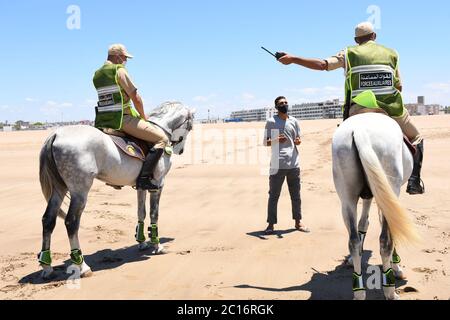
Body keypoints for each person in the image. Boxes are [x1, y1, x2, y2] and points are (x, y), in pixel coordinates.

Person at [276, 22, 424, 195]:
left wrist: (293, 59)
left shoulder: (348, 53)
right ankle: (414, 181)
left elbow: (323, 64)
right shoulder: (392, 53)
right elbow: (399, 87)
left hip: (357, 109)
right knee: (417, 137)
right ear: (374, 37)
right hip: (391, 109)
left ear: (356, 40)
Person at [92, 44, 169, 191]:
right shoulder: (119, 71)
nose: (125, 61)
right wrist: (143, 117)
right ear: (117, 56)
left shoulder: (97, 74)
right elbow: (136, 97)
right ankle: (144, 179)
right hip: (122, 119)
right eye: (125, 58)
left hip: (103, 121)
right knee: (162, 139)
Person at [263, 96, 310, 235]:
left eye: (286, 103)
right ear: (276, 107)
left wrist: (298, 141)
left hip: (294, 163)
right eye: (281, 103)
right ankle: (270, 225)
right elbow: (266, 142)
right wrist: (277, 139)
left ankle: (298, 222)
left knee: (296, 196)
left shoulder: (294, 121)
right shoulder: (271, 122)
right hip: (277, 163)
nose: (284, 105)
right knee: (273, 196)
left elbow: (298, 139)